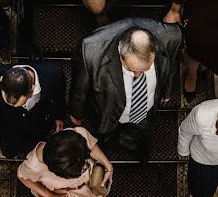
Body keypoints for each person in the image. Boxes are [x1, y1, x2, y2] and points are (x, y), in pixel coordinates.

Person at [68, 19, 181, 167]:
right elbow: (80, 87)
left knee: (137, 134)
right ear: (120, 53)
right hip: (106, 109)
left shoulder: (171, 37)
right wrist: (76, 113)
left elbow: (172, 67)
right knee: (103, 135)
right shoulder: (90, 51)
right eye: (131, 69)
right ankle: (103, 150)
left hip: (142, 112)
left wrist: (167, 91)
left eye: (144, 69)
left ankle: (133, 145)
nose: (138, 75)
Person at [0, 62, 67, 158]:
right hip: (8, 126)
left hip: (37, 123)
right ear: (1, 80)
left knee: (34, 150)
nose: (14, 106)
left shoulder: (54, 74)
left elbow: (58, 96)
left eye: (17, 104)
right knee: (9, 151)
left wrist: (58, 115)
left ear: (32, 90)